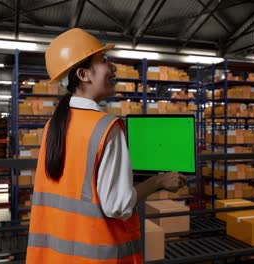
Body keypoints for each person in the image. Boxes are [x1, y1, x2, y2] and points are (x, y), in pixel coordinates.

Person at [26, 28, 188, 264]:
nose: (113, 68)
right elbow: (118, 206)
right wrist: (159, 181)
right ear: (84, 74)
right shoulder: (106, 128)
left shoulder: (55, 124)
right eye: (103, 61)